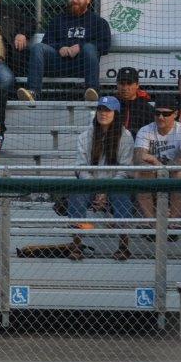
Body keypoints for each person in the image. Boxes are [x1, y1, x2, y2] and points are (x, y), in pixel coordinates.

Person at [18, 0, 110, 102]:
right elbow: (47, 42)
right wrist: (60, 48)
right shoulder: (58, 20)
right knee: (38, 47)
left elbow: (105, 45)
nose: (74, 0)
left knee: (89, 48)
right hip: (59, 64)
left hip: (82, 65)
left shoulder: (98, 22)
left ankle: (92, 91)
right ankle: (33, 92)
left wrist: (80, 47)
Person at [69, 96, 136, 258]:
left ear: (116, 114)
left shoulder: (125, 136)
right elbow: (80, 168)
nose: (103, 113)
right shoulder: (85, 136)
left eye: (108, 110)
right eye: (100, 109)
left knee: (122, 196)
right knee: (76, 195)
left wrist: (106, 190)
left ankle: (123, 246)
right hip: (90, 185)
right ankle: (76, 245)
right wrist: (97, 187)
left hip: (115, 185)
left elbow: (125, 170)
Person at [133, 94, 181, 220]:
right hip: (152, 173)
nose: (161, 117)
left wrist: (158, 164)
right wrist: (157, 167)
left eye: (166, 114)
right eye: (157, 113)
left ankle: (173, 222)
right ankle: (150, 221)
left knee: (180, 175)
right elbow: (139, 158)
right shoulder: (145, 130)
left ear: (175, 114)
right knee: (141, 174)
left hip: (175, 173)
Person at [113, 66, 153, 137]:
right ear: (117, 84)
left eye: (129, 83)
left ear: (137, 85)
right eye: (121, 83)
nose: (125, 88)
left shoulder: (147, 108)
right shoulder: (111, 106)